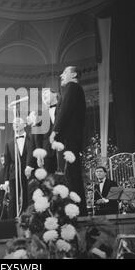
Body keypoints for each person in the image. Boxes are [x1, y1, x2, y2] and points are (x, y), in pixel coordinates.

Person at [50, 66, 87, 215]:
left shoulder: (72, 87)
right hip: (71, 138)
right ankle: (78, 210)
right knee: (72, 174)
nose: (61, 75)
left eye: (64, 72)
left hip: (68, 138)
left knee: (70, 174)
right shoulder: (74, 89)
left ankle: (73, 211)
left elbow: (64, 110)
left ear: (74, 74)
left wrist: (55, 131)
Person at [25, 89, 58, 179]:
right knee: (48, 184)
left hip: (64, 151)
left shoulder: (63, 109)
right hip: (47, 156)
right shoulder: (42, 116)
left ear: (55, 94)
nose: (43, 95)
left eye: (46, 93)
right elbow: (37, 138)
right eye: (42, 94)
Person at [4, 117, 30, 219]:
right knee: (13, 199)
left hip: (28, 174)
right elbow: (7, 163)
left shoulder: (31, 138)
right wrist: (6, 180)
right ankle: (11, 223)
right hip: (14, 175)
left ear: (24, 125)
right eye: (14, 123)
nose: (16, 124)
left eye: (18, 122)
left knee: (27, 197)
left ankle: (27, 220)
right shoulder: (9, 143)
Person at [0, 154, 7, 220]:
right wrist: (2, 186)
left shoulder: (13, 170)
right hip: (2, 196)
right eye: (2, 160)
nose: (3, 162)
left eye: (4, 160)